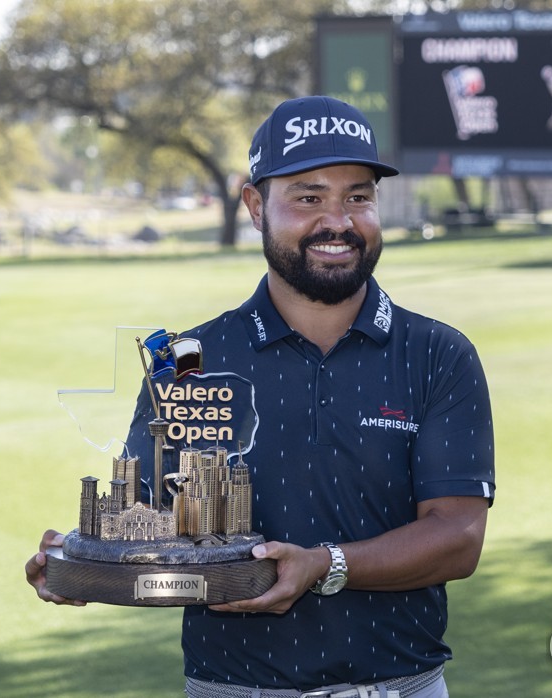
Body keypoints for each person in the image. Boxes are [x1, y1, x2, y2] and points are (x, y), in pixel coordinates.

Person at [25, 96, 496, 698]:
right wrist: (80, 561)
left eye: (358, 196)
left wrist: (322, 565)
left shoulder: (437, 353)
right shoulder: (186, 359)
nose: (339, 221)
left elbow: (458, 538)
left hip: (400, 687)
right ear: (255, 206)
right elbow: (148, 516)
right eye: (308, 197)